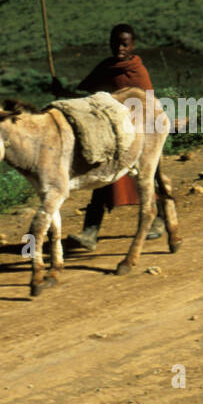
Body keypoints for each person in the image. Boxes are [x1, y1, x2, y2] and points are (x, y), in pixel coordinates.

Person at [51, 24, 167, 251]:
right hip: (112, 132)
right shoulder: (106, 67)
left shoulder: (136, 70)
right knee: (103, 178)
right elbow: (89, 97)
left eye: (125, 44)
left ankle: (160, 220)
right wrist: (62, 92)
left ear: (133, 45)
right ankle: (90, 233)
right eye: (116, 44)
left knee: (153, 178)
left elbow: (148, 103)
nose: (120, 49)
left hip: (142, 132)